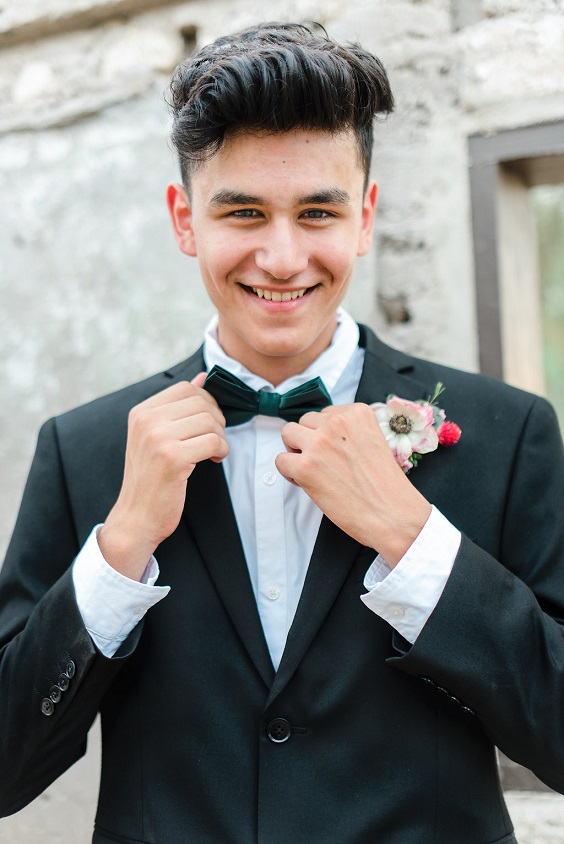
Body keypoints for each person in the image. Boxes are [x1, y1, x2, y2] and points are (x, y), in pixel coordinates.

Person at [0, 21, 563, 844]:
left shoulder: (509, 434)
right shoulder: (82, 450)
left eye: (317, 212)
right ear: (185, 220)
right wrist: (120, 547)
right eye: (244, 212)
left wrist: (412, 539)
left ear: (365, 218)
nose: (282, 255)